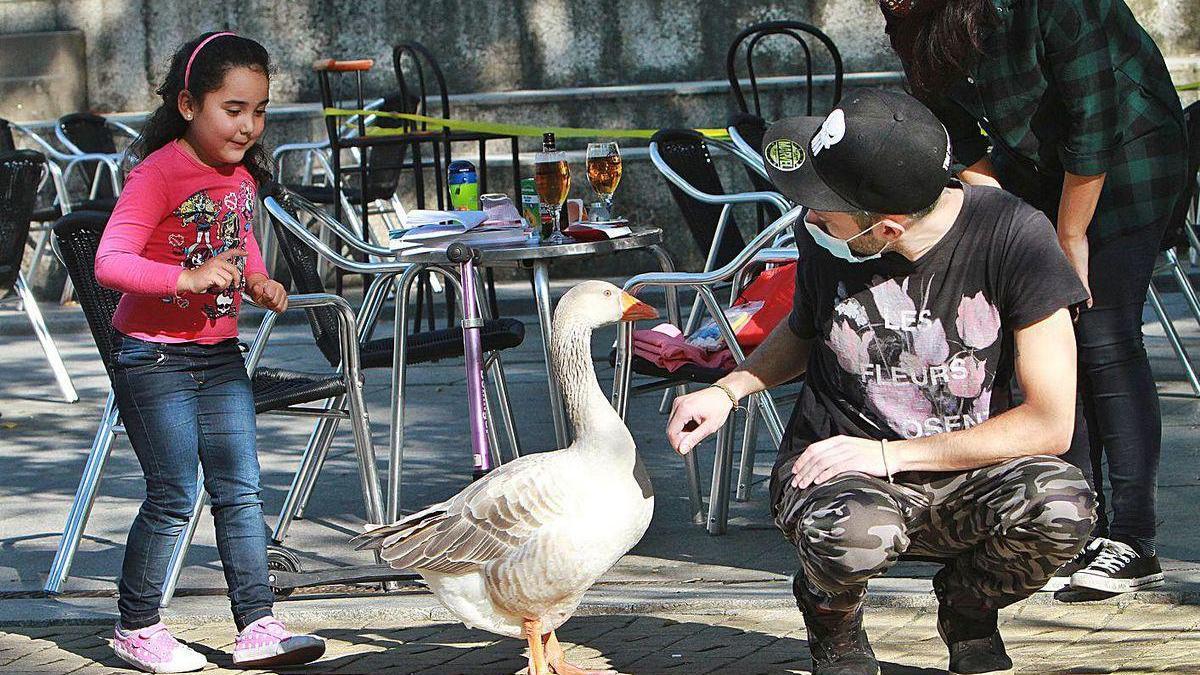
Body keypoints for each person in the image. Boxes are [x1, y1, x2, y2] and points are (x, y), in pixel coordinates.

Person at [666, 90, 1096, 675]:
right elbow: (805, 330)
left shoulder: (1016, 237)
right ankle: (832, 619)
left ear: (889, 228)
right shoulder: (831, 235)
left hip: (964, 473)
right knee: (857, 532)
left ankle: (969, 605)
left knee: (1063, 504)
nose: (809, 218)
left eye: (824, 210)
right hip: (839, 474)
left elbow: (1050, 423)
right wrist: (728, 389)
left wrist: (889, 455)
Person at [877, 0, 1188, 595]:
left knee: (1103, 337)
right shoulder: (916, 19)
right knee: (1044, 341)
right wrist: (1008, 221)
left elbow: (1093, 124)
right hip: (1034, 173)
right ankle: (1071, 525)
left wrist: (1068, 236)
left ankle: (1131, 537)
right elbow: (956, 133)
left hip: (1128, 164)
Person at [95, 32, 324, 673]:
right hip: (153, 358)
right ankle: (137, 627)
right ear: (190, 104)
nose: (249, 125)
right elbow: (111, 261)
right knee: (173, 493)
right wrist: (186, 280)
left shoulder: (241, 174)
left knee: (240, 490)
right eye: (234, 109)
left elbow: (236, 236)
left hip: (219, 355)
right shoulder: (159, 172)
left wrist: (257, 278)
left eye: (260, 110)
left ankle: (257, 625)